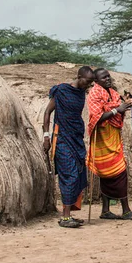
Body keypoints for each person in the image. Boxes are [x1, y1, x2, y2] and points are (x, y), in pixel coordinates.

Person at [43, 66, 94, 228]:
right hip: (62, 139)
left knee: (79, 175)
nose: (89, 85)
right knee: (69, 175)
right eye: (87, 81)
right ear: (79, 77)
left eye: (91, 82)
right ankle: (65, 218)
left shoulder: (81, 94)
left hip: (76, 138)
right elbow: (47, 112)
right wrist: (46, 135)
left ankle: (69, 214)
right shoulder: (61, 91)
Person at [87, 68, 132, 220]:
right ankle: (124, 211)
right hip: (102, 140)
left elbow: (118, 106)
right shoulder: (94, 94)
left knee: (117, 172)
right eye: (104, 78)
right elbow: (96, 116)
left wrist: (126, 104)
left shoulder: (112, 92)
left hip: (114, 137)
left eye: (108, 76)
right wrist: (117, 110)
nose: (107, 79)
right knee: (111, 173)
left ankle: (108, 210)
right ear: (96, 81)